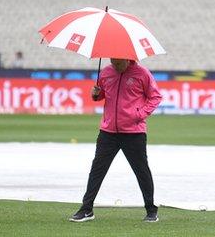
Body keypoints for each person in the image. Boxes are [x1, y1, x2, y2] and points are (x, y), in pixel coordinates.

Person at [70, 59, 163, 223]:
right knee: (97, 170)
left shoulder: (142, 73)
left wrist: (139, 114)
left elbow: (155, 96)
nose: (115, 64)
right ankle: (86, 209)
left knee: (141, 171)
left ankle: (151, 210)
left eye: (119, 62)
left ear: (128, 59)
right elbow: (101, 95)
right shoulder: (106, 72)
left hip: (134, 132)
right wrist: (96, 94)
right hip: (108, 131)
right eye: (113, 61)